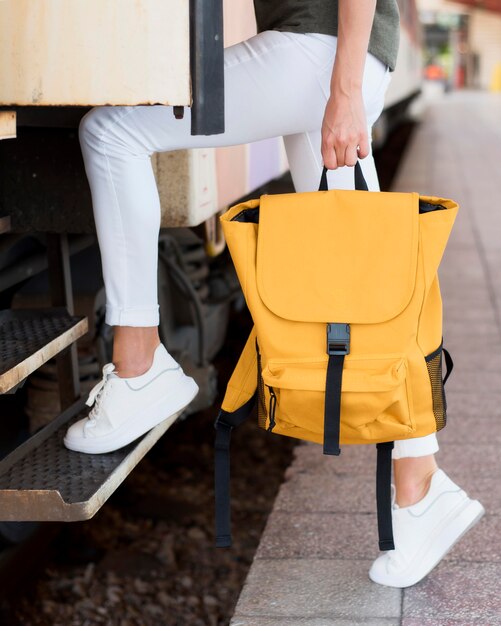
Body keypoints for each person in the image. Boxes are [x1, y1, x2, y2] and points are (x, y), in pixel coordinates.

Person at [63, 0, 484, 588]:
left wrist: (344, 91)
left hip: (323, 49)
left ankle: (140, 369)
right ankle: (421, 487)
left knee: (112, 133)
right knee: (360, 285)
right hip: (332, 52)